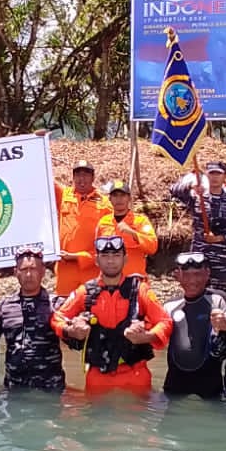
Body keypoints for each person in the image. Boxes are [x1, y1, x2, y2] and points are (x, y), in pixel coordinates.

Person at [53, 234, 173, 395]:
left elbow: (165, 321)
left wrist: (147, 337)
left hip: (135, 374)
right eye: (105, 256)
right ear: (96, 260)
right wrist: (71, 330)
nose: (110, 261)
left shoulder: (140, 290)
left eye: (116, 256)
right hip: (98, 376)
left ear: (125, 259)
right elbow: (57, 318)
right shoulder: (85, 292)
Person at [168, 161, 226, 299]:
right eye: (212, 173)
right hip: (198, 262)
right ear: (207, 175)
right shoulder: (198, 198)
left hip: (221, 264)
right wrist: (191, 187)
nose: (215, 177)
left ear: (225, 176)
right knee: (197, 300)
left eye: (218, 174)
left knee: (222, 302)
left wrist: (222, 238)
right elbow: (173, 189)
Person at [0, 247, 66, 392]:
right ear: (16, 272)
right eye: (24, 269)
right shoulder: (4, 306)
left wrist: (77, 328)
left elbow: (75, 340)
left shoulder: (56, 304)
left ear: (43, 271)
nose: (29, 274)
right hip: (15, 391)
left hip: (50, 390)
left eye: (34, 269)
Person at [162, 251, 226, 398]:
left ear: (207, 274)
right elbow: (155, 339)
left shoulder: (218, 299)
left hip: (210, 386)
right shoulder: (169, 306)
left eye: (197, 274)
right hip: (174, 385)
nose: (192, 281)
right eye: (187, 275)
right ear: (178, 275)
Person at [55, 159, 113, 299]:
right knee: (63, 310)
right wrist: (38, 141)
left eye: (86, 175)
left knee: (91, 310)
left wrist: (79, 257)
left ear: (93, 177)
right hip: (65, 270)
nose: (82, 179)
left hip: (91, 269)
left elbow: (107, 243)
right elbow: (42, 176)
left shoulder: (105, 204)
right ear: (73, 177)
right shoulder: (63, 195)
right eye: (78, 175)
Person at [96, 179, 158, 279]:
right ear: (110, 199)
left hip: (134, 280)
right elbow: (98, 252)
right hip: (110, 282)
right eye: (115, 196)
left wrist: (133, 233)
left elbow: (152, 247)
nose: (119, 199)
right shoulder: (103, 222)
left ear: (129, 198)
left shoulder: (140, 221)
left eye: (122, 195)